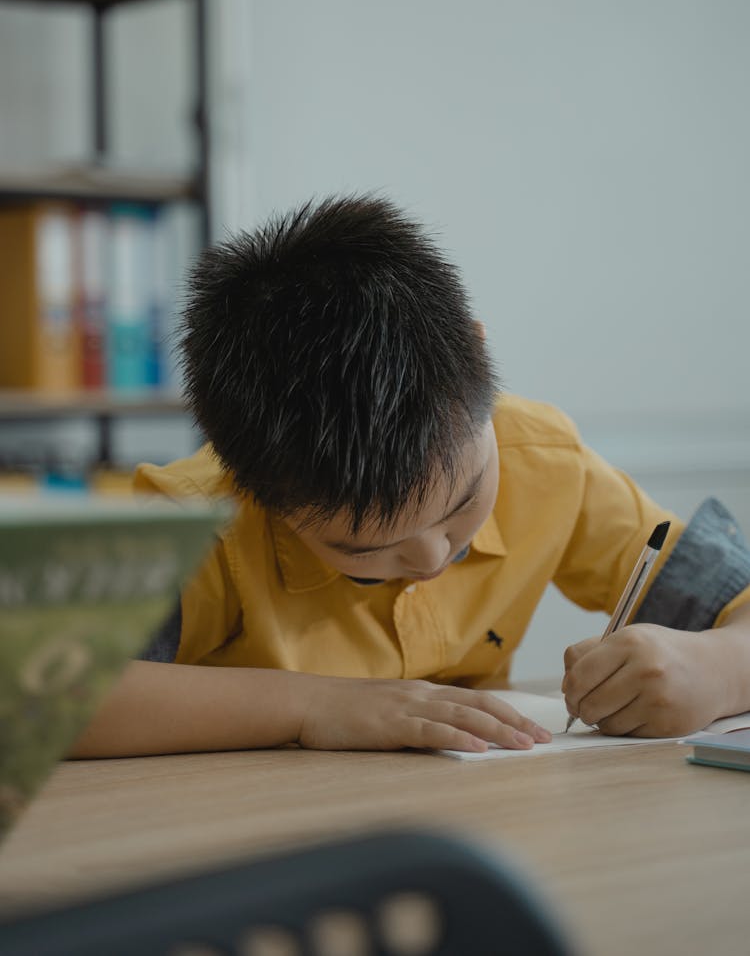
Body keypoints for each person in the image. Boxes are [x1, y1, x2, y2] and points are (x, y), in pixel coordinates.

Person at [72, 195, 750, 758]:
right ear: (251, 485)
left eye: (461, 502)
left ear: (479, 358)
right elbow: (36, 700)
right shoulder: (206, 518)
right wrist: (311, 704)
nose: (431, 555)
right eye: (361, 549)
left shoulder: (541, 459)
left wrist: (714, 670)